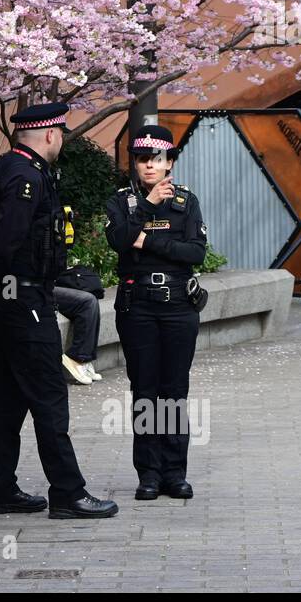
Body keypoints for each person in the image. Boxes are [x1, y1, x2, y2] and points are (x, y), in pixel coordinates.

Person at [0, 102, 118, 521]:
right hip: (24, 302)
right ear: (50, 134)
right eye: (61, 134)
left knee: (9, 399)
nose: (62, 141)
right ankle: (68, 493)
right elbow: (7, 238)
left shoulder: (7, 169)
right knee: (49, 396)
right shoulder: (27, 176)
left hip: (14, 300)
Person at [105, 124, 206, 502]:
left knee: (174, 391)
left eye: (157, 159)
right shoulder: (121, 202)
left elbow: (195, 253)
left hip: (179, 304)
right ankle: (148, 473)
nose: (150, 166)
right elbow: (118, 241)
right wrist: (146, 207)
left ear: (170, 163)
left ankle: (175, 473)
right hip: (138, 306)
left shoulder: (186, 201)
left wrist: (146, 239)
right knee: (145, 392)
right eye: (143, 160)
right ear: (134, 164)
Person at [53, 264, 103, 385]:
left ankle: (84, 359)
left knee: (91, 299)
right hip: (37, 287)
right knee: (88, 301)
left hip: (51, 283)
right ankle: (77, 357)